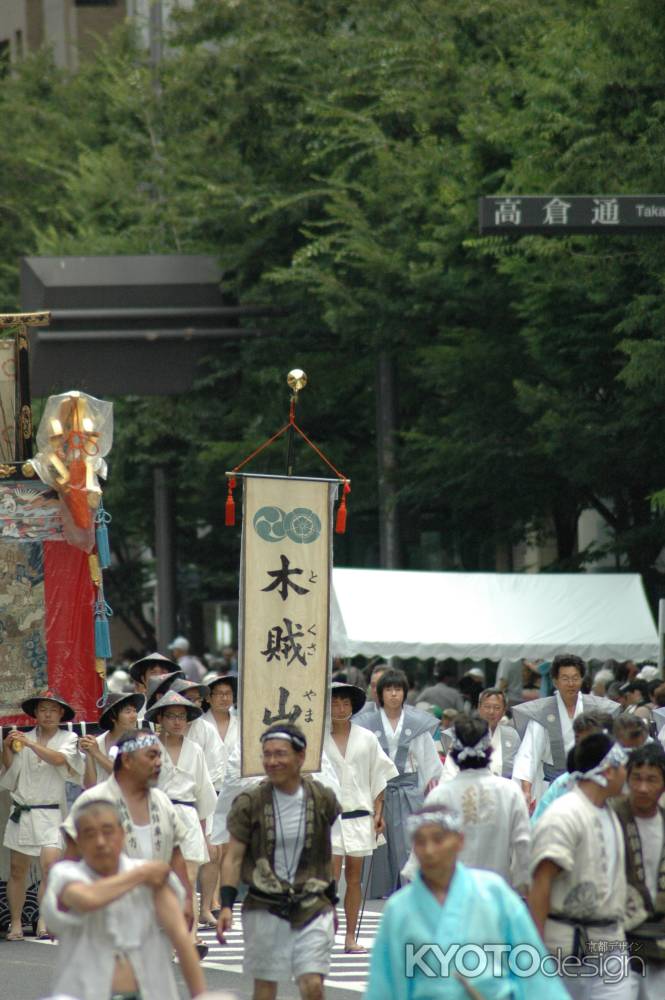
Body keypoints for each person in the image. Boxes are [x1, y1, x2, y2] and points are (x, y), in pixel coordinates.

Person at [365, 803, 569, 1000]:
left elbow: (532, 970)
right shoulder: (399, 909)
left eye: (438, 840)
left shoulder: (493, 893)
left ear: (459, 841)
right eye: (420, 841)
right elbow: (385, 986)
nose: (429, 850)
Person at [217, 723, 341, 1000]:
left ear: (300, 756)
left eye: (280, 754)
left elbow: (324, 851)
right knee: (265, 989)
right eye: (267, 754)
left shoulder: (323, 799)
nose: (272, 761)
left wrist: (331, 902)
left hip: (312, 903)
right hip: (264, 903)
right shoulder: (249, 802)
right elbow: (233, 857)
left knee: (312, 985)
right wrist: (226, 904)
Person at [42, 799, 206, 1000]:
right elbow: (88, 898)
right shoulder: (65, 874)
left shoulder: (152, 878)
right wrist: (143, 874)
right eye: (90, 834)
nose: (100, 842)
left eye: (108, 831)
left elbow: (181, 939)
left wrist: (200, 995)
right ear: (79, 842)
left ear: (122, 834)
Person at [529, 732, 630, 999]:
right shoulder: (564, 814)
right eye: (623, 767)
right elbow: (541, 883)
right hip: (567, 949)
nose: (626, 774)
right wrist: (537, 953)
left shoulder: (610, 811)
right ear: (608, 771)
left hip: (611, 945)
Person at [61, 729, 192, 917]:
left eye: (159, 756)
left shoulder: (162, 801)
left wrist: (186, 899)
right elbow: (71, 858)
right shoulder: (94, 800)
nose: (158, 763)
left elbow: (176, 855)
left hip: (156, 917)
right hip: (105, 918)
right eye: (151, 756)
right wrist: (62, 906)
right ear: (127, 761)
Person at [403, 716, 530, 891]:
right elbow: (523, 846)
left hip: (451, 895)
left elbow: (420, 855)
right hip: (498, 893)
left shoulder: (441, 794)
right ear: (489, 750)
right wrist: (523, 884)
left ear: (454, 752)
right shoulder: (510, 792)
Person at [0, 690, 84, 940]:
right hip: (23, 811)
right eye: (43, 709)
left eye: (53, 710)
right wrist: (7, 748)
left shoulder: (69, 738)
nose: (48, 714)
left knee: (49, 866)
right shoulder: (22, 738)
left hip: (51, 812)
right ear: (35, 713)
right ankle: (15, 922)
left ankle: (44, 918)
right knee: (18, 870)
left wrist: (30, 745)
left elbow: (59, 760)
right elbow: (10, 771)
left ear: (60, 714)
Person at [354, 668, 442, 897]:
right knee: (380, 843)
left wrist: (430, 793)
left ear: (405, 693)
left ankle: (411, 888)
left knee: (408, 842)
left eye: (398, 689)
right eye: (389, 689)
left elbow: (429, 763)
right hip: (378, 790)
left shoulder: (417, 722)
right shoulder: (365, 723)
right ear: (380, 694)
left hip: (408, 789)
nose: (394, 694)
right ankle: (380, 888)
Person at [323, 682, 398, 952]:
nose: (340, 708)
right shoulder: (317, 739)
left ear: (353, 706)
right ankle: (328, 926)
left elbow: (378, 778)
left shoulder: (366, 738)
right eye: (335, 703)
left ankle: (350, 936)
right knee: (329, 877)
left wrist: (379, 813)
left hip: (360, 814)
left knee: (355, 878)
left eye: (345, 703)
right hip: (329, 818)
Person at [145, 690, 217, 939]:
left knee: (190, 877)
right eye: (171, 716)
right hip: (158, 816)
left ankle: (191, 934)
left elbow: (204, 793)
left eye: (182, 716)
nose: (177, 721)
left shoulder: (195, 750)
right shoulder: (150, 748)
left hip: (188, 815)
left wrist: (205, 830)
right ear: (161, 719)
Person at [512, 652, 620, 807]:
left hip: (590, 783)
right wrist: (526, 791)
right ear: (555, 681)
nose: (571, 683)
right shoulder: (543, 712)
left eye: (575, 678)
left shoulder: (597, 709)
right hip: (552, 786)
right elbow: (528, 754)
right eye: (565, 678)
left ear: (582, 679)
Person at [613, 743, 665, 1000]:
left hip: (659, 941)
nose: (643, 787)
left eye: (652, 780)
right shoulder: (611, 818)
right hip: (617, 939)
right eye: (637, 778)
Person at [199, 674, 239, 925]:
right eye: (219, 693)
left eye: (228, 693)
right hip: (210, 790)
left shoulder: (241, 724)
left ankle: (224, 901)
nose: (224, 698)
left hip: (235, 790)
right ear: (209, 698)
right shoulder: (201, 724)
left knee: (230, 851)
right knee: (214, 848)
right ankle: (211, 900)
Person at [530, 712, 608, 824]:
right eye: (579, 740)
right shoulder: (562, 784)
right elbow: (537, 824)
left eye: (590, 742)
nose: (584, 748)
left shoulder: (613, 781)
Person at [440, 687, 521, 780]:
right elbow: (450, 771)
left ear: (504, 711)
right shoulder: (464, 732)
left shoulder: (512, 736)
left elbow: (520, 770)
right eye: (487, 707)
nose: (491, 712)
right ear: (479, 708)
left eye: (497, 708)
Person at [78, 691, 145, 788]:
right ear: (113, 717)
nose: (134, 715)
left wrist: (97, 753)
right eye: (128, 711)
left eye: (134, 711)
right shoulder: (97, 743)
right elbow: (90, 786)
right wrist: (89, 754)